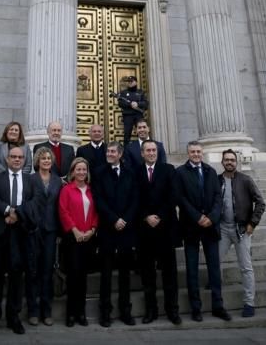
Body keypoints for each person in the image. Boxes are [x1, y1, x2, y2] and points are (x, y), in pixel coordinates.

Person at [0, 146, 43, 336]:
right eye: (13, 157)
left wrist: (18, 214)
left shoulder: (30, 179)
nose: (17, 160)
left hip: (21, 233)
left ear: (24, 160)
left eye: (20, 157)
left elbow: (35, 201)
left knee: (17, 276)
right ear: (7, 159)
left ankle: (13, 317)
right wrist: (8, 210)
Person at [176, 140, 231, 322]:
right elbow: (181, 199)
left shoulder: (210, 171)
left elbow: (217, 197)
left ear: (203, 152)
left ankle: (218, 306)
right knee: (192, 269)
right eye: (193, 152)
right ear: (188, 153)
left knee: (214, 268)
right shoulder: (180, 172)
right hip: (191, 226)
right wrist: (197, 217)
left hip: (210, 227)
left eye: (199, 151)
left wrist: (212, 217)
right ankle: (196, 308)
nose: (196, 154)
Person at [92, 141, 138, 327]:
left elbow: (135, 199)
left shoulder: (130, 172)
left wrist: (125, 219)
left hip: (126, 229)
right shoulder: (99, 172)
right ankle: (105, 313)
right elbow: (98, 199)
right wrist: (113, 219)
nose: (109, 154)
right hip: (107, 229)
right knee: (106, 273)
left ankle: (125, 311)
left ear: (120, 154)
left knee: (125, 274)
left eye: (112, 151)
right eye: (108, 151)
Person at [136, 140, 181, 325]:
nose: (151, 153)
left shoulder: (169, 170)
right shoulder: (135, 172)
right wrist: (146, 217)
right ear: (142, 153)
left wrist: (159, 216)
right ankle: (150, 311)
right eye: (148, 150)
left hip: (165, 229)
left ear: (158, 152)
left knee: (170, 274)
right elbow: (133, 198)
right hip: (145, 231)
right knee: (148, 276)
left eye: (154, 150)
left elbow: (174, 195)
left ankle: (172, 311)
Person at [219, 148, 266, 318]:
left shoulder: (245, 180)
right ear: (222, 162)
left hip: (241, 230)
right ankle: (217, 299)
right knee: (214, 262)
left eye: (232, 160)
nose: (229, 162)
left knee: (246, 267)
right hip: (223, 229)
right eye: (226, 160)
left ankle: (249, 303)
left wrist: (252, 223)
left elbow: (261, 203)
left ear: (236, 162)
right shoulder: (217, 180)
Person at [58, 157, 98, 327]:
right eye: (78, 169)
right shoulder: (67, 189)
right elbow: (63, 211)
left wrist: (92, 230)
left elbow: (96, 213)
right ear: (72, 171)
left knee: (83, 277)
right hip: (73, 239)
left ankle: (81, 313)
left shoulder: (91, 190)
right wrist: (74, 230)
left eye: (84, 169)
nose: (81, 172)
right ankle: (71, 314)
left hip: (88, 238)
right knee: (73, 276)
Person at [26, 147, 63, 326]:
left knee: (47, 271)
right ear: (37, 161)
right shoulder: (30, 179)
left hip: (51, 231)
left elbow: (60, 207)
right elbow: (26, 202)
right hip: (34, 230)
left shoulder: (58, 181)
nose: (46, 160)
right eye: (43, 158)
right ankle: (33, 310)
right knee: (34, 271)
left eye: (49, 158)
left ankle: (46, 311)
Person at [117, 75, 149, 148]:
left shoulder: (140, 92)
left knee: (142, 133)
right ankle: (126, 152)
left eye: (132, 81)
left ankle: (144, 148)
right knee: (127, 134)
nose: (130, 83)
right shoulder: (124, 92)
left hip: (138, 116)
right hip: (128, 116)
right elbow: (120, 103)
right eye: (129, 82)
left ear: (136, 82)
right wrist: (130, 104)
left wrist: (138, 104)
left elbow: (146, 103)